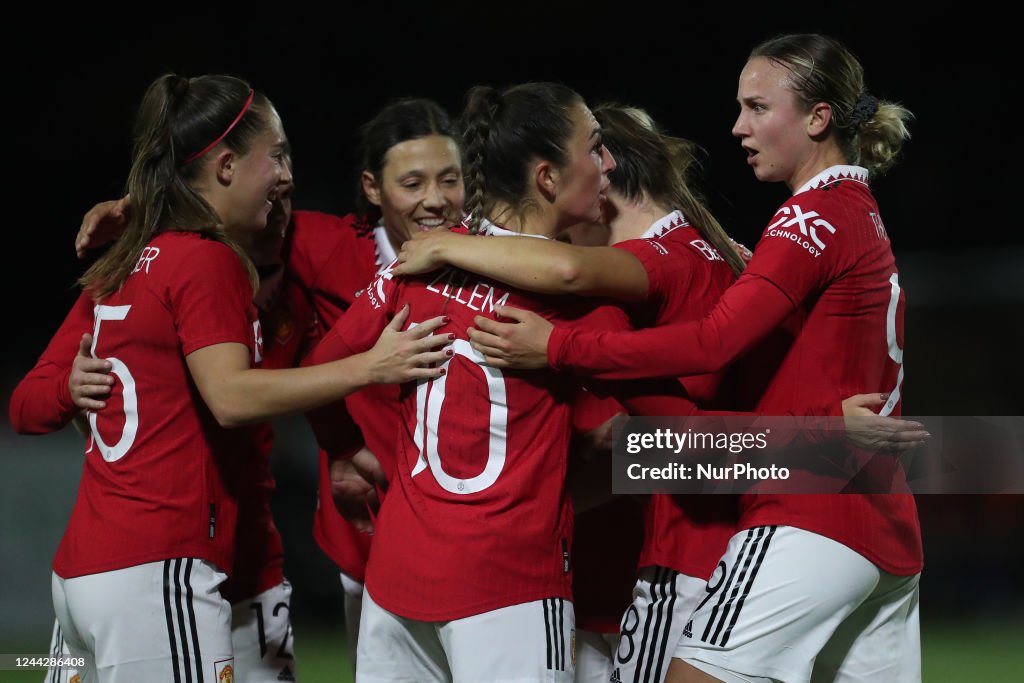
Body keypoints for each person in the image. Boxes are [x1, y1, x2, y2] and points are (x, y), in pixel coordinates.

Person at [454, 35, 924, 683]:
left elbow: (702, 342)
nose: (739, 126)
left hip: (805, 516)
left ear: (817, 118)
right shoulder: (818, 224)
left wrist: (551, 341)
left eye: (758, 107)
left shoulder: (802, 222)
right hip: (881, 523)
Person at [9, 73, 449, 681]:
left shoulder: (163, 254)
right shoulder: (211, 259)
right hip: (163, 566)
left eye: (451, 180)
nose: (287, 179)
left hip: (177, 567)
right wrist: (371, 367)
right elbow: (231, 396)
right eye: (278, 156)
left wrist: (343, 447)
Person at [303, 81, 687, 683]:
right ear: (547, 179)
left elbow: (319, 374)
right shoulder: (580, 305)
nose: (605, 163)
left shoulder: (415, 266)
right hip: (506, 586)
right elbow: (676, 434)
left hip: (397, 581)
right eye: (594, 147)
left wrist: (344, 450)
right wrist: (827, 455)